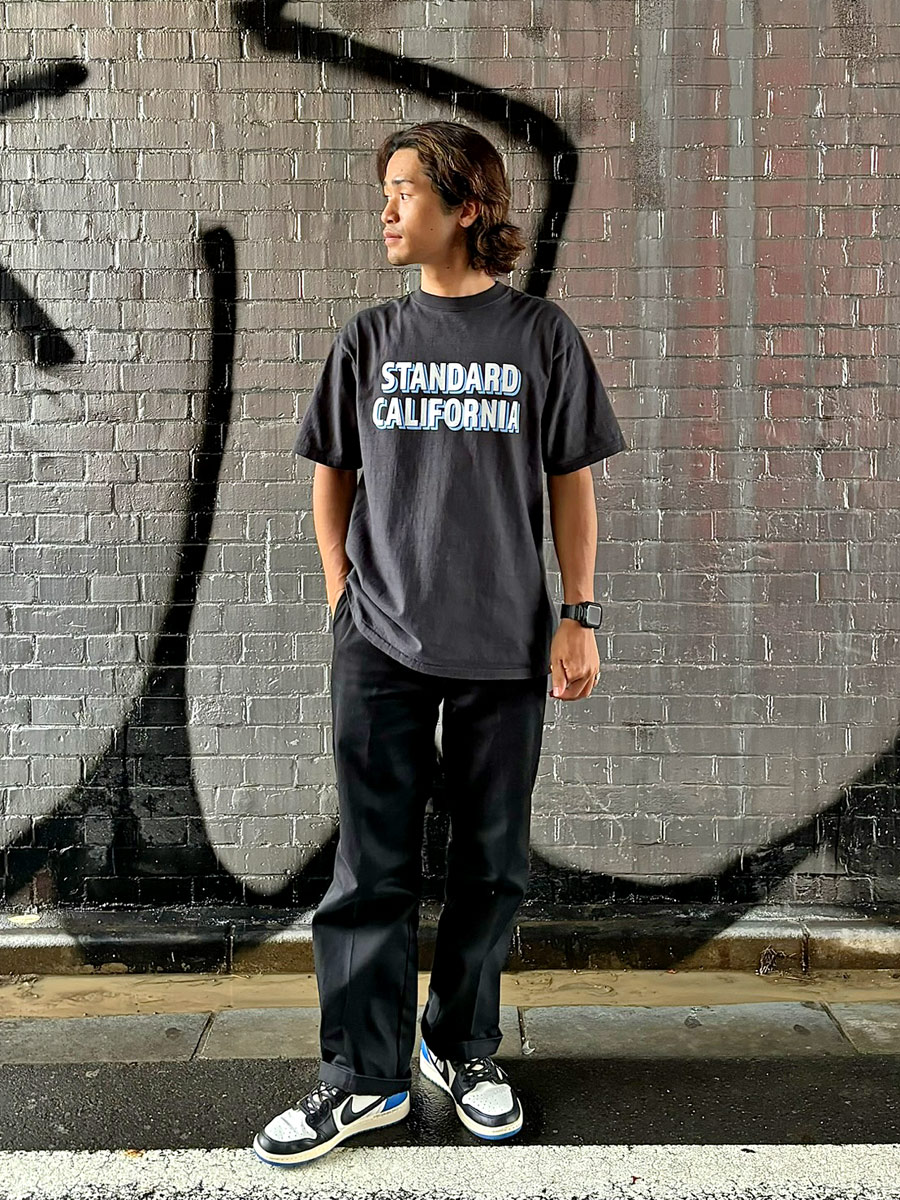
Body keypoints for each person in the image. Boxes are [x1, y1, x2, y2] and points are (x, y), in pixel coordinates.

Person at [253, 120, 627, 1167]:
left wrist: (580, 614)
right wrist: (343, 596)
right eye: (385, 189)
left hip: (505, 643)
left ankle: (460, 1047)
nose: (386, 208)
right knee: (370, 868)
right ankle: (363, 1078)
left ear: (467, 206)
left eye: (405, 189)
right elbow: (331, 474)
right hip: (379, 642)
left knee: (491, 865)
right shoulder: (369, 338)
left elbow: (572, 484)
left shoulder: (541, 336)